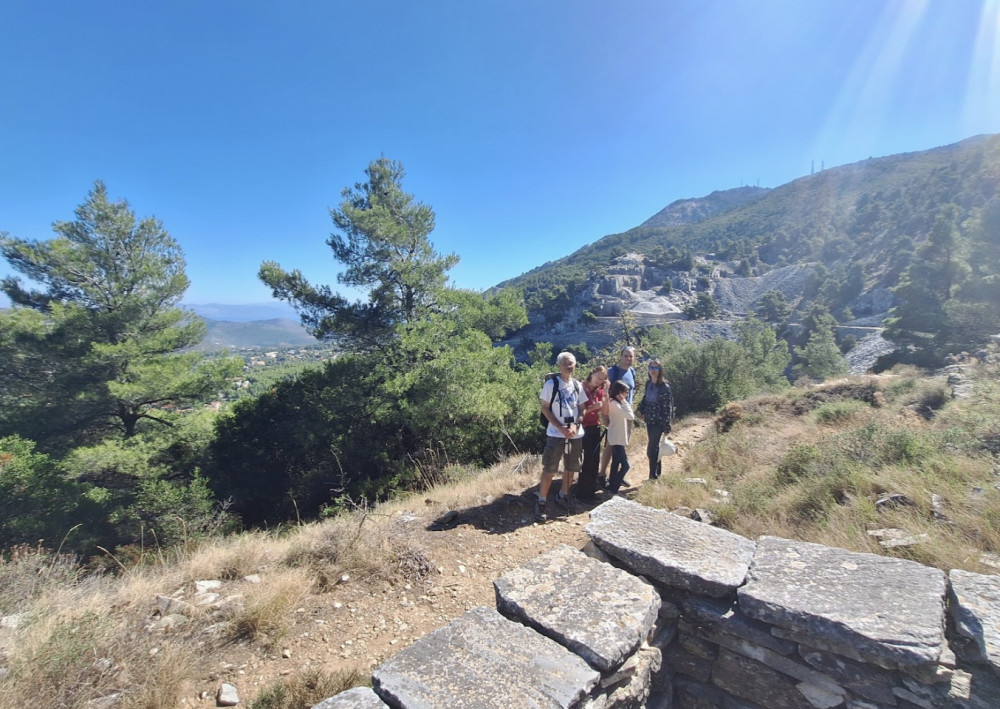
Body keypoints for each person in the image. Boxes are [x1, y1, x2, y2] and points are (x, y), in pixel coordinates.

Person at [537, 351, 588, 519]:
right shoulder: (551, 384)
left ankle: (563, 495)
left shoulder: (577, 385)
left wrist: (574, 425)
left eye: (571, 363)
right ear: (559, 365)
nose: (569, 366)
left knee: (571, 467)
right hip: (555, 434)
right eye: (565, 363)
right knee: (550, 468)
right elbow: (545, 408)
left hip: (575, 434)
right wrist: (560, 428)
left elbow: (582, 408)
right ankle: (541, 503)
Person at [599, 347, 637, 485]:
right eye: (626, 356)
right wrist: (605, 416)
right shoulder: (612, 372)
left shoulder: (632, 371)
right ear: (620, 356)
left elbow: (630, 392)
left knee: (621, 443)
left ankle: (616, 476)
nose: (628, 358)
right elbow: (604, 393)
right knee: (610, 444)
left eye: (631, 356)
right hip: (615, 412)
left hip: (627, 411)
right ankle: (602, 474)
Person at [636, 359, 674, 480]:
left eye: (656, 368)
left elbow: (668, 407)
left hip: (659, 422)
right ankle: (656, 474)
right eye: (651, 368)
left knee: (651, 450)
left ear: (660, 370)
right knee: (655, 448)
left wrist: (667, 426)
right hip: (649, 420)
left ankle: (652, 476)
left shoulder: (664, 387)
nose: (653, 370)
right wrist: (640, 409)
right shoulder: (648, 383)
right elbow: (645, 398)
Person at [577, 365, 609, 500]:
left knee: (595, 460)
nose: (599, 381)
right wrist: (591, 408)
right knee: (588, 459)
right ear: (592, 373)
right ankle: (583, 493)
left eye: (602, 379)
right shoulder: (581, 387)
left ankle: (591, 491)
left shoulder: (600, 391)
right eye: (598, 377)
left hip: (595, 427)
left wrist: (606, 394)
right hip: (582, 427)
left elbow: (605, 412)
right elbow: (577, 411)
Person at [602, 380, 635, 496]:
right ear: (619, 393)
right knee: (625, 465)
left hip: (617, 438)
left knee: (616, 463)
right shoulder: (615, 404)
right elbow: (631, 416)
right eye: (626, 393)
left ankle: (612, 486)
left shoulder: (614, 403)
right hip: (616, 439)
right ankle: (614, 487)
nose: (627, 395)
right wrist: (624, 402)